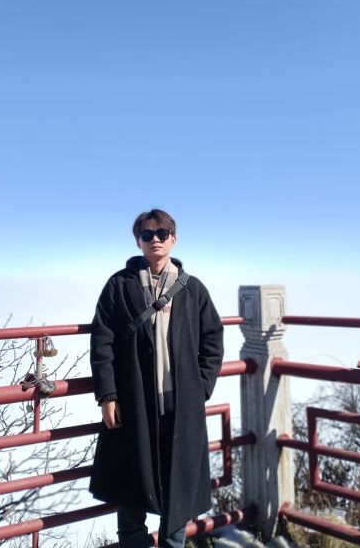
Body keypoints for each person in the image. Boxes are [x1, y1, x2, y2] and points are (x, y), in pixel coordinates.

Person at [89, 209, 224, 548]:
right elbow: (102, 340)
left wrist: (201, 387)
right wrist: (108, 395)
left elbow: (213, 339)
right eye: (147, 235)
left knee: (178, 491)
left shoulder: (193, 289)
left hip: (180, 406)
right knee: (131, 486)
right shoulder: (119, 285)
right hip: (133, 402)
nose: (155, 240)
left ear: (173, 239)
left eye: (162, 234)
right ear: (138, 241)